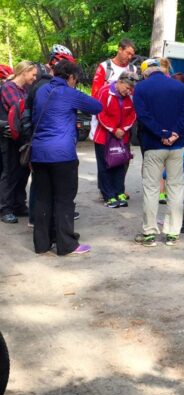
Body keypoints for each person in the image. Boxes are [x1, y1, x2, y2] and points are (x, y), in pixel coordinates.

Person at [31, 59, 102, 255]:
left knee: (43, 198)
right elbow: (97, 107)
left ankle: (42, 243)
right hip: (62, 154)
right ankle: (66, 244)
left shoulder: (40, 91)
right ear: (71, 77)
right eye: (75, 80)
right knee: (64, 199)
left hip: (39, 153)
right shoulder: (70, 93)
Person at [133, 58, 184, 247]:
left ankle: (150, 233)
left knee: (151, 188)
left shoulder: (141, 89)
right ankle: (172, 233)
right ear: (162, 70)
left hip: (153, 144)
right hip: (177, 146)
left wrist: (161, 133)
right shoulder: (179, 87)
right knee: (175, 187)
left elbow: (143, 116)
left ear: (145, 73)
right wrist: (174, 133)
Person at [0, 60, 37, 224]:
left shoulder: (26, 88)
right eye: (33, 74)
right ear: (24, 72)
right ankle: (5, 208)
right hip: (9, 137)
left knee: (23, 171)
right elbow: (19, 108)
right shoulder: (9, 87)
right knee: (9, 173)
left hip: (22, 135)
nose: (34, 78)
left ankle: (19, 204)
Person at [94, 71, 138, 208]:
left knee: (120, 164)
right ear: (119, 82)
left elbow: (133, 114)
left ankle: (119, 192)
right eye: (127, 87)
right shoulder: (105, 91)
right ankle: (108, 195)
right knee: (105, 166)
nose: (128, 91)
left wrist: (123, 129)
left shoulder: (130, 95)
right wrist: (113, 129)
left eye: (131, 89)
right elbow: (100, 112)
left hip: (122, 136)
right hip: (104, 136)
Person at [90, 39, 137, 139]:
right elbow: (95, 96)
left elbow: (133, 97)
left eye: (132, 55)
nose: (129, 57)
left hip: (123, 130)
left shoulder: (133, 69)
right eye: (128, 53)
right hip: (103, 126)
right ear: (120, 49)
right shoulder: (105, 67)